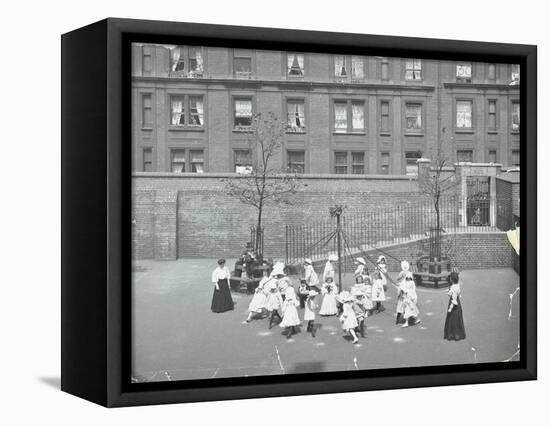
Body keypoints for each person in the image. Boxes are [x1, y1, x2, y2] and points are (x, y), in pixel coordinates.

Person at [444, 271, 466, 341]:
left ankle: (451, 333)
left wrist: (449, 290)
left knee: (452, 316)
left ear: (452, 280)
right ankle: (459, 333)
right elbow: (459, 293)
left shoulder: (453, 287)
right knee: (457, 315)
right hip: (457, 301)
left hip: (453, 301)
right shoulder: (458, 285)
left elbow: (449, 294)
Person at [395, 261, 410, 325]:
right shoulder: (408, 273)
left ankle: (400, 320)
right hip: (403, 295)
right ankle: (399, 320)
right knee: (402, 307)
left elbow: (397, 279)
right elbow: (398, 279)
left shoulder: (405, 273)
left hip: (405, 295)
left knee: (403, 307)